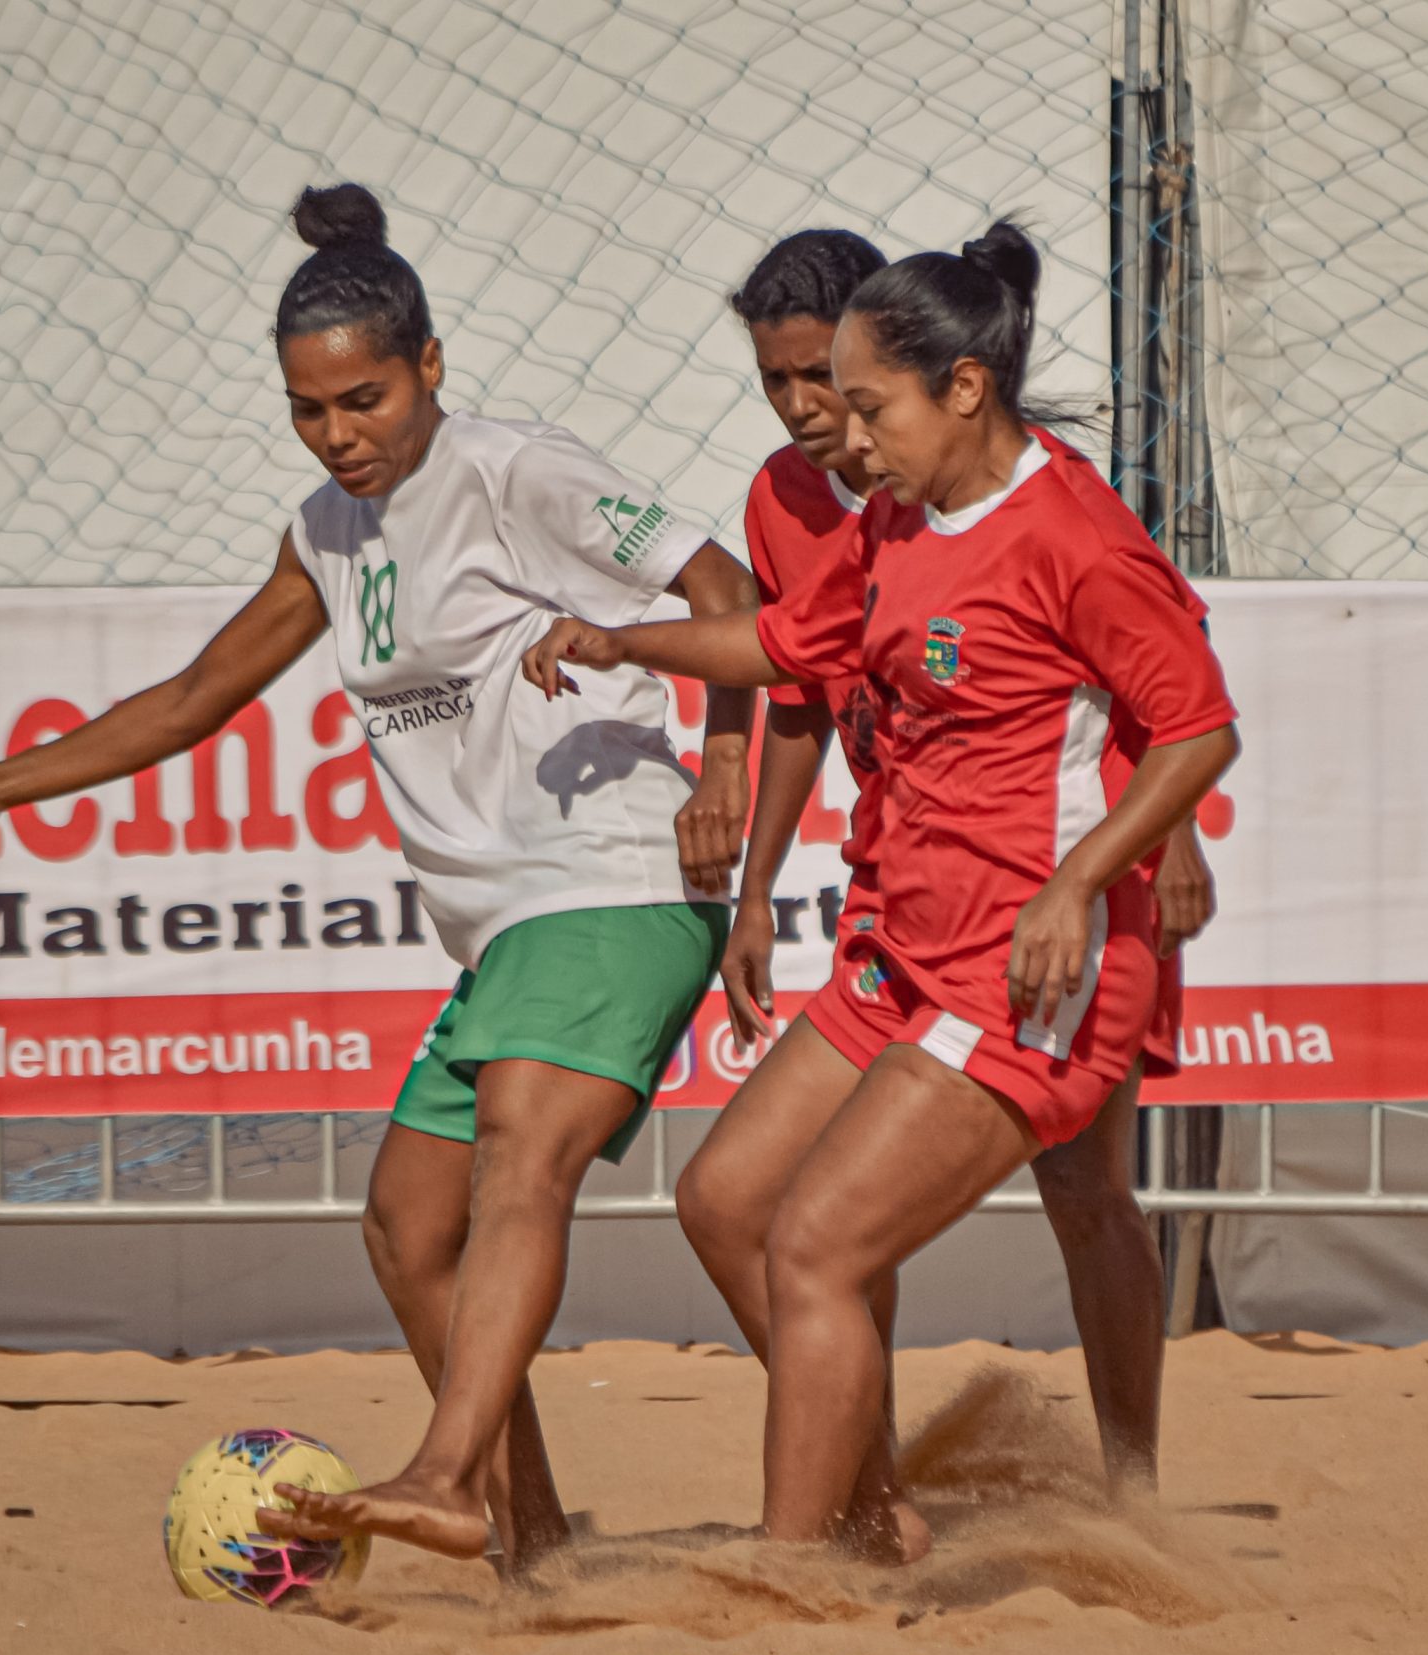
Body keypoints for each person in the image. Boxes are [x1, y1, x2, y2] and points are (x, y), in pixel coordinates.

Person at [0, 184, 758, 1568]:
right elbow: (199, 694)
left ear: (432, 369)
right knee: (404, 1226)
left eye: (368, 401)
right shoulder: (324, 532)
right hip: (512, 928)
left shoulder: (517, 473)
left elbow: (729, 590)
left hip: (615, 877)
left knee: (521, 1163)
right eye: (309, 411)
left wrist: (732, 771)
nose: (341, 435)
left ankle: (453, 1478)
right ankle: (539, 1545)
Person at [520, 222, 1239, 1545]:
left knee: (882, 1233)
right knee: (728, 1204)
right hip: (904, 939)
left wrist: (1093, 875)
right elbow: (789, 648)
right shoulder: (896, 514)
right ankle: (877, 1505)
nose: (831, 430)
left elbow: (1193, 719)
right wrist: (621, 640)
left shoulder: (1072, 531)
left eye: (854, 400)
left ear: (961, 386)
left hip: (1034, 961)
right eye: (800, 394)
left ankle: (824, 1570)